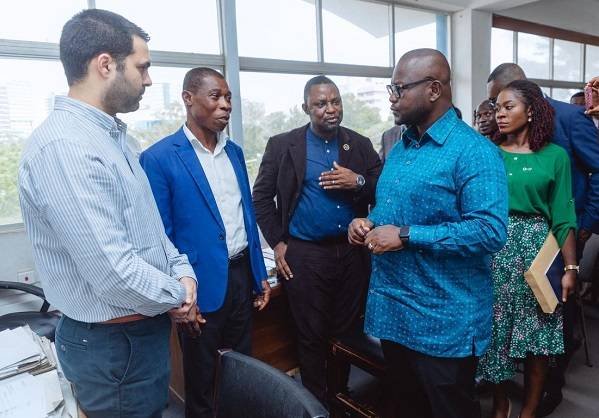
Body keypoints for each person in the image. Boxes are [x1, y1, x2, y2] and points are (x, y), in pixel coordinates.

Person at [18, 9, 200, 418]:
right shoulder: (66, 148)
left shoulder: (115, 138)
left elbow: (152, 233)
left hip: (136, 336)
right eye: (142, 67)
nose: (149, 79)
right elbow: (113, 273)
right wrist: (179, 294)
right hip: (113, 346)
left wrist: (182, 270)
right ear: (105, 65)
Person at [349, 49, 508, 418]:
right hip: (395, 314)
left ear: (434, 90)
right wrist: (367, 224)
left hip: (443, 322)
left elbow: (489, 231)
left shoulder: (474, 152)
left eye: (399, 88)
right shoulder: (400, 147)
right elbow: (390, 211)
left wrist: (405, 235)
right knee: (408, 408)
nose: (392, 97)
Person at [140, 67, 270, 418]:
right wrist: (181, 297)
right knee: (202, 383)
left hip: (241, 277)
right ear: (188, 98)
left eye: (229, 98)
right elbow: (159, 236)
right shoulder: (159, 158)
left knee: (242, 372)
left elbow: (246, 218)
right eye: (216, 96)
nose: (226, 105)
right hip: (198, 287)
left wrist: (259, 275)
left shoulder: (235, 152)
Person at [252, 75, 381, 403]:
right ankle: (316, 405)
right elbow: (262, 198)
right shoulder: (283, 145)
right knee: (310, 335)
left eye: (335, 101)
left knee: (346, 333)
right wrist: (279, 242)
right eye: (321, 104)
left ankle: (339, 395)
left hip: (352, 254)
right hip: (305, 255)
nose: (330, 109)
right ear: (306, 108)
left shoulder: (360, 143)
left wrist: (359, 181)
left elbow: (383, 189)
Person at [488, 63, 599, 416]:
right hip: (496, 253)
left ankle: (530, 409)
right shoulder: (490, 153)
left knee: (539, 339)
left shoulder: (556, 156)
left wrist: (570, 268)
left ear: (530, 110)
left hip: (540, 254)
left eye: (508, 106)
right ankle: (501, 404)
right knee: (498, 338)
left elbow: (564, 215)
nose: (500, 114)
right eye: (496, 108)